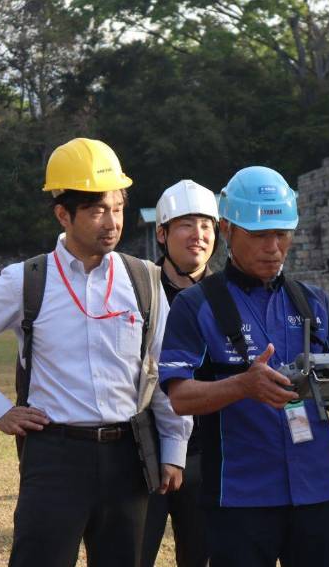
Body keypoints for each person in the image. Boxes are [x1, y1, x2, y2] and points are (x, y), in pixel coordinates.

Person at [0, 137, 192, 567]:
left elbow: (165, 370)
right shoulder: (27, 280)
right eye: (97, 210)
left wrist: (174, 449)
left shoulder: (144, 282)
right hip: (53, 459)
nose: (111, 222)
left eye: (117, 207)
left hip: (128, 455)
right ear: (63, 214)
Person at [157, 166, 329, 567]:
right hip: (240, 497)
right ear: (228, 230)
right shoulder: (196, 305)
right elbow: (180, 397)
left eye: (282, 234)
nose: (274, 246)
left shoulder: (313, 302)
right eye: (260, 235)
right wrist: (244, 385)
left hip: (317, 491)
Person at [141, 179, 217, 567]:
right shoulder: (136, 291)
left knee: (201, 556)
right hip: (141, 451)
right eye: (186, 224)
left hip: (209, 451)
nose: (198, 235)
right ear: (162, 232)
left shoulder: (226, 295)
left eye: (206, 225)